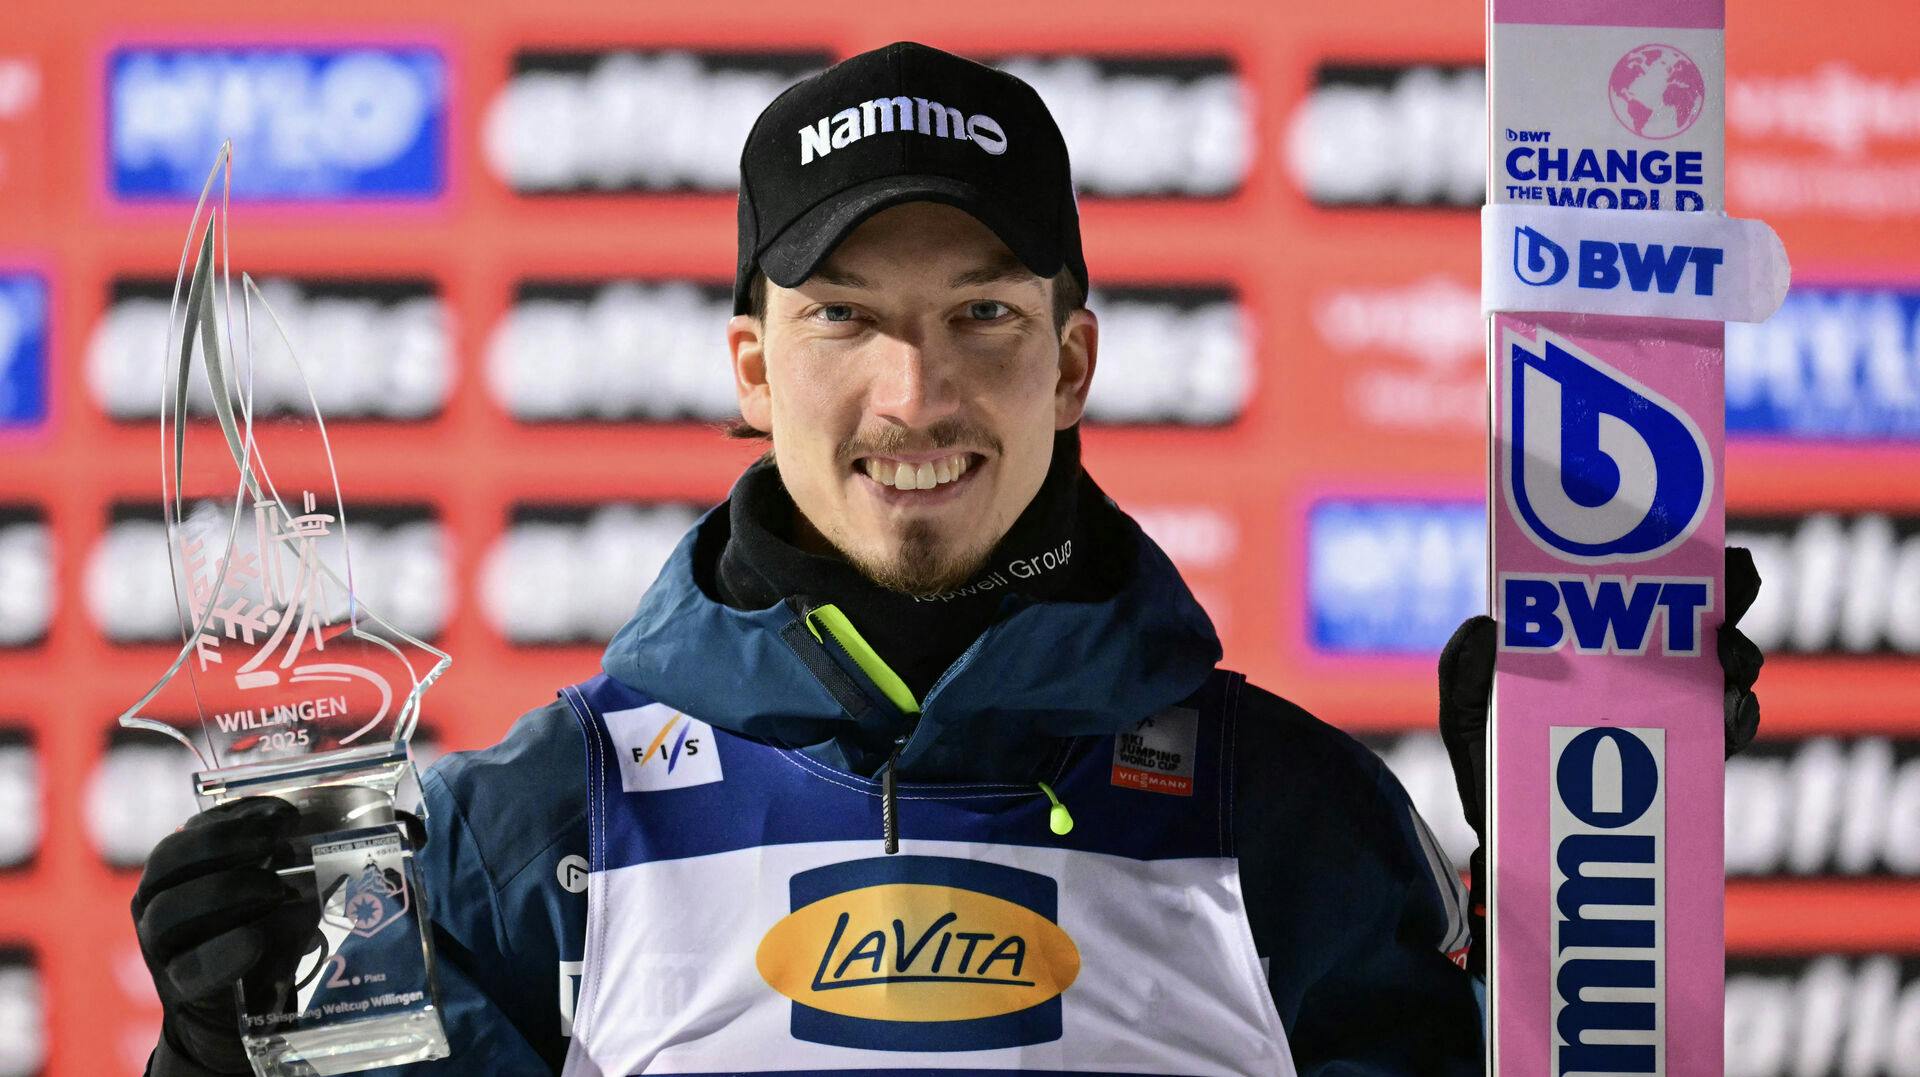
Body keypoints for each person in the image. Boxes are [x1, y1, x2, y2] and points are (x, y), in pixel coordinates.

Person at [132, 41, 1763, 1075]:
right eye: (845, 318)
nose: (916, 395)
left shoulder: (1295, 821)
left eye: (982, 314)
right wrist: (224, 1055)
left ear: (1072, 360)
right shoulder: (536, 827)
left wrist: (1573, 894)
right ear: (754, 367)